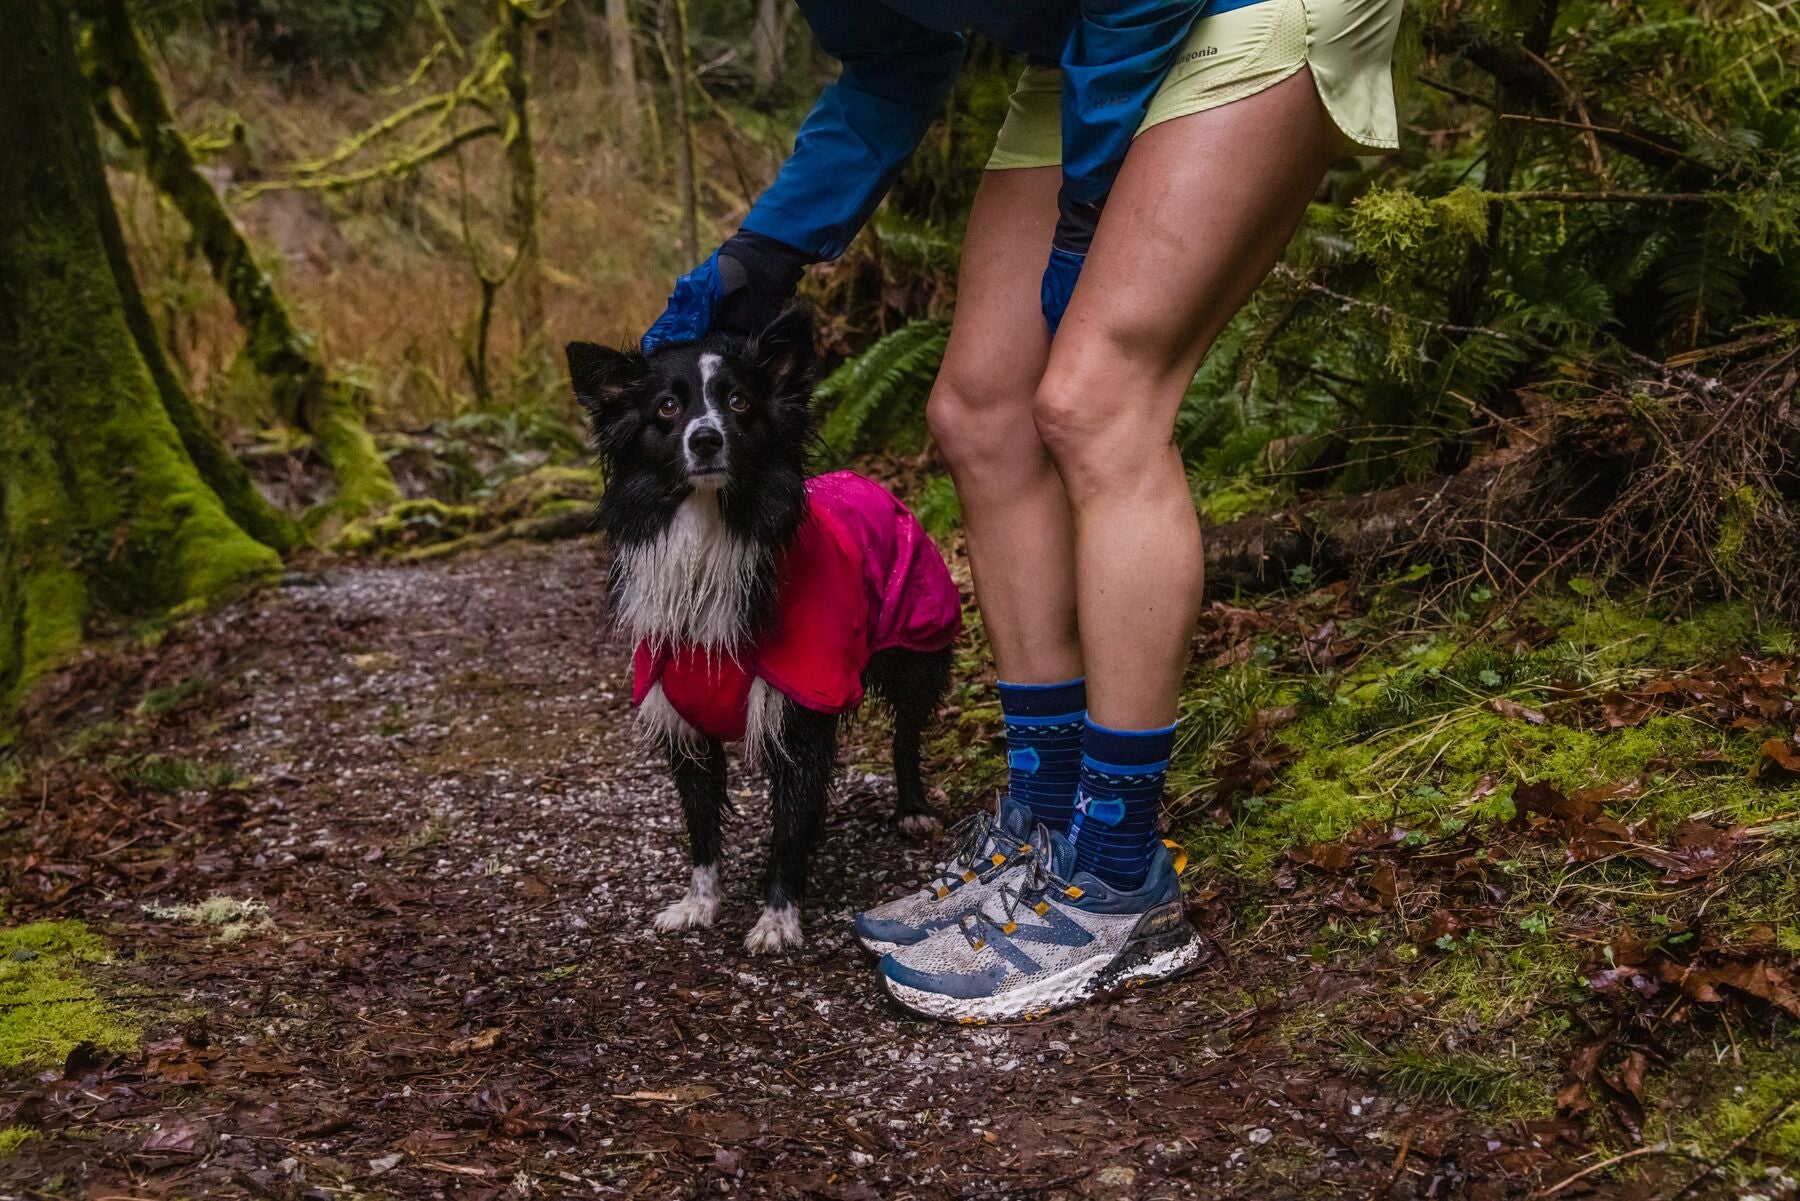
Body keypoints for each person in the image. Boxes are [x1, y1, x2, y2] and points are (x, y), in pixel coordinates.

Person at [642, 0, 1404, 1022]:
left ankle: (1120, 875)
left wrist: (1090, 208)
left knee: (1096, 399)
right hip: (1088, 42)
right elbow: (890, 65)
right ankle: (1049, 826)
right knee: (979, 411)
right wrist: (767, 251)